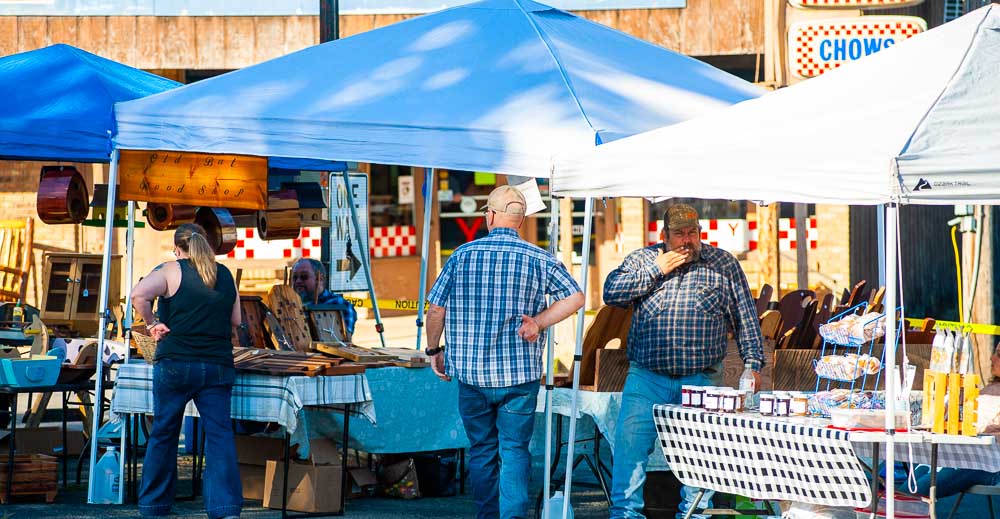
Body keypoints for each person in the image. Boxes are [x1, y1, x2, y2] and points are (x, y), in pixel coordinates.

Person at [426, 185, 585, 519]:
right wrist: (538, 323)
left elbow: (436, 309)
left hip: (472, 376)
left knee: (482, 451)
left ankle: (488, 516)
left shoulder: (462, 255)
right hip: (519, 378)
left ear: (491, 215)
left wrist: (433, 349)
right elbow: (576, 297)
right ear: (522, 220)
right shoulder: (540, 258)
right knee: (514, 451)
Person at [603, 204, 765, 519]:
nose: (686, 240)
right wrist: (656, 270)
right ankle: (625, 514)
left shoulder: (723, 264)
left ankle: (695, 515)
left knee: (701, 455)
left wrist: (753, 363)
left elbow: (745, 318)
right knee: (630, 450)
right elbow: (611, 293)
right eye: (679, 233)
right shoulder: (643, 260)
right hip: (647, 376)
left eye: (692, 232)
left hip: (702, 378)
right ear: (664, 235)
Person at [130, 223, 242, 519]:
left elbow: (138, 295)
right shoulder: (226, 274)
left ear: (177, 249)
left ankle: (154, 506)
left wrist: (152, 323)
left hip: (176, 363)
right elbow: (236, 319)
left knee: (164, 434)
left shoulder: (170, 270)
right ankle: (225, 508)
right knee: (219, 436)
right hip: (217, 365)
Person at [898, 341, 1000, 498]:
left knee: (912, 494)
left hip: (988, 464)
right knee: (907, 489)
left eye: (999, 355)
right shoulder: (991, 388)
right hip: (963, 454)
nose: (991, 358)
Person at [290, 257, 357, 339]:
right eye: (295, 277)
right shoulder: (289, 305)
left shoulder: (340, 304)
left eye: (304, 276)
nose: (298, 281)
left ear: (320, 278)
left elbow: (342, 341)